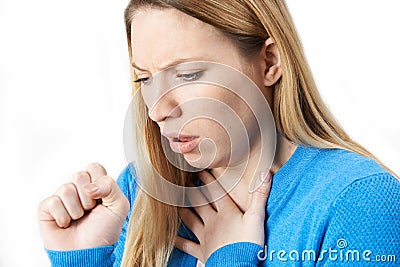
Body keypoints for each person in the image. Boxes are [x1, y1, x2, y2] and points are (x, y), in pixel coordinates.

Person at [38, 0, 400, 266]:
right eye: (145, 79)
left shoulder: (360, 201)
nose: (157, 109)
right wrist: (84, 258)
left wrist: (229, 260)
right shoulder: (139, 192)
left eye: (188, 75)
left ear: (269, 62)